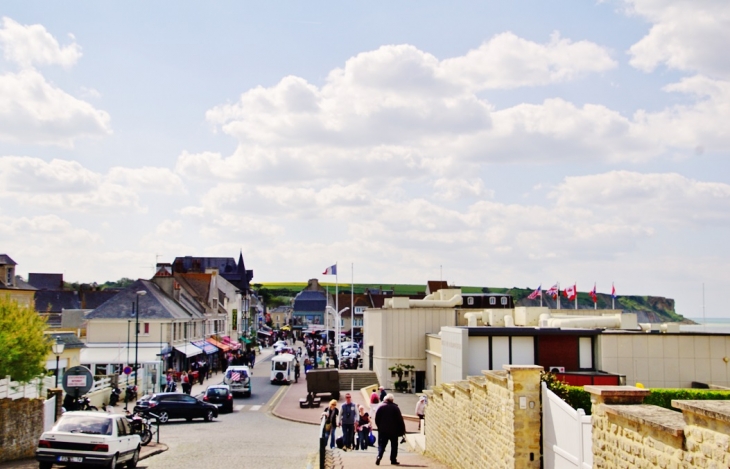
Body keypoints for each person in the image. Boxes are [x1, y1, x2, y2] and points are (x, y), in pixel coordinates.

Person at [374, 393, 406, 466]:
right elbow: (400, 420)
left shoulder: (381, 407)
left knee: (382, 445)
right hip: (393, 431)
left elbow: (377, 419)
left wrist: (380, 427)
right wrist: (402, 430)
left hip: (383, 431)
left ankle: (379, 456)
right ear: (392, 400)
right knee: (394, 445)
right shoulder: (395, 408)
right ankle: (393, 459)